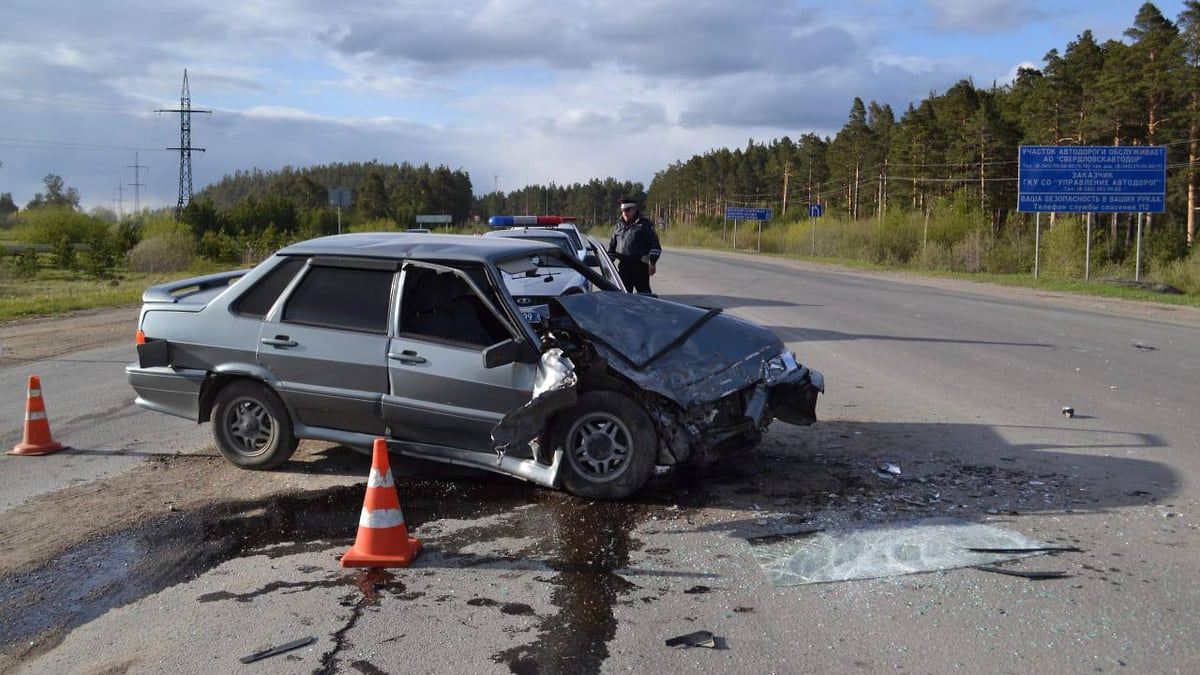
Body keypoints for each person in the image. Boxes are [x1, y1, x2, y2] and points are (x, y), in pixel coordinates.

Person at [607, 197, 662, 293]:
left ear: (634, 210)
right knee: (624, 297)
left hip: (640, 268)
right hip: (623, 267)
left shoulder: (644, 225)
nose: (624, 213)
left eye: (627, 210)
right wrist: (608, 263)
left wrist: (652, 263)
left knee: (644, 296)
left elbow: (655, 246)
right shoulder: (619, 225)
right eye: (622, 210)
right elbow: (612, 246)